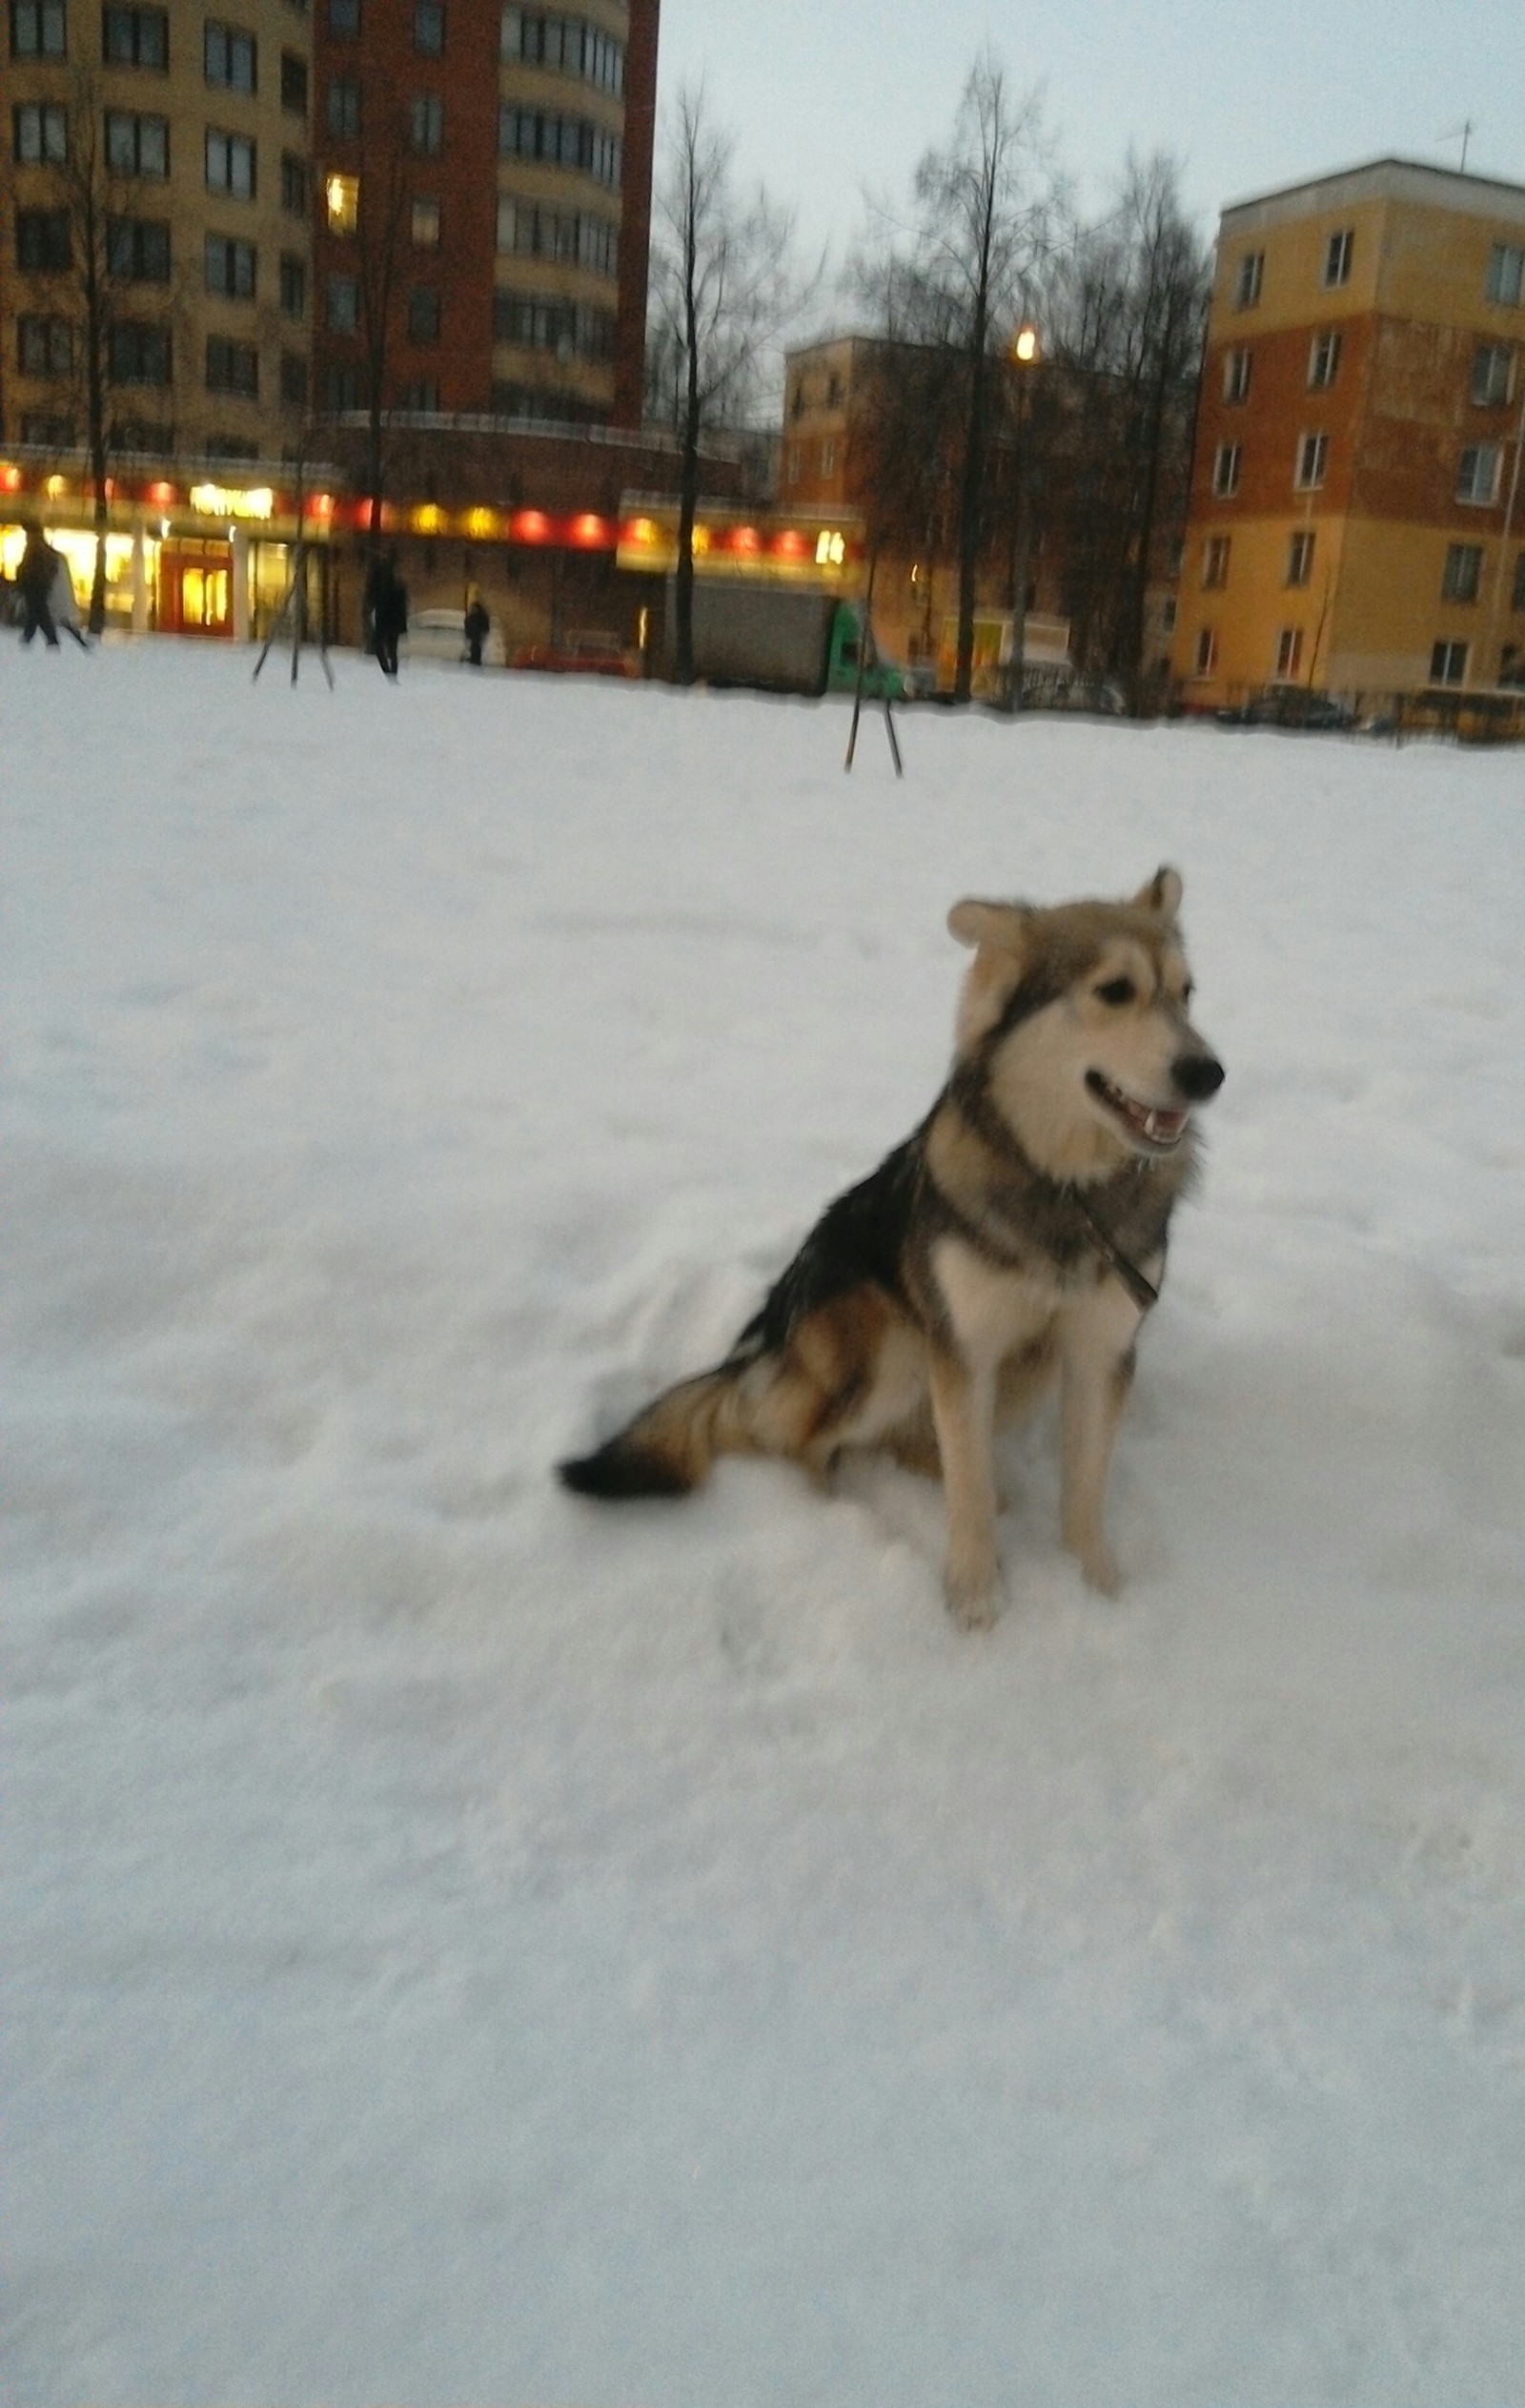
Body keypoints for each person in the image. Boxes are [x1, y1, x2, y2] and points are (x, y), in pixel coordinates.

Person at [363, 549, 409, 679]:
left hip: (384, 620)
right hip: (393, 622)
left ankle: (388, 672)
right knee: (392, 649)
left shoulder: (382, 588)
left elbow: (373, 598)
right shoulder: (399, 589)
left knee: (381, 647)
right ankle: (392, 673)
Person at [17, 524, 64, 648]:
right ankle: (45, 638)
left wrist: (22, 577)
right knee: (39, 612)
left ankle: (32, 638)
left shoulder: (35, 548)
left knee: (37, 612)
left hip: (35, 585)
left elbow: (29, 567)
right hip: (39, 585)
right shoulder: (41, 548)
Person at [463, 586, 491, 668]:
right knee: (475, 649)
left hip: (476, 636)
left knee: (476, 649)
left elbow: (468, 624)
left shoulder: (478, 615)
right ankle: (475, 661)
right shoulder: (476, 615)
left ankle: (475, 662)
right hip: (476, 636)